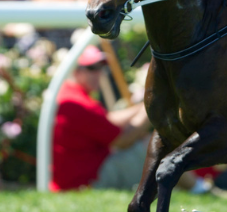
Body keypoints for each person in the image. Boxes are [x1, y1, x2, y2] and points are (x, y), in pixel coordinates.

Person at [51, 45, 152, 191]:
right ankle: (196, 187)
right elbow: (122, 141)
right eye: (92, 68)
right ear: (75, 70)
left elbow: (107, 120)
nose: (98, 74)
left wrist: (144, 105)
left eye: (101, 68)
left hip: (78, 177)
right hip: (85, 182)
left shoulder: (70, 94)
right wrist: (152, 107)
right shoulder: (78, 104)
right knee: (152, 145)